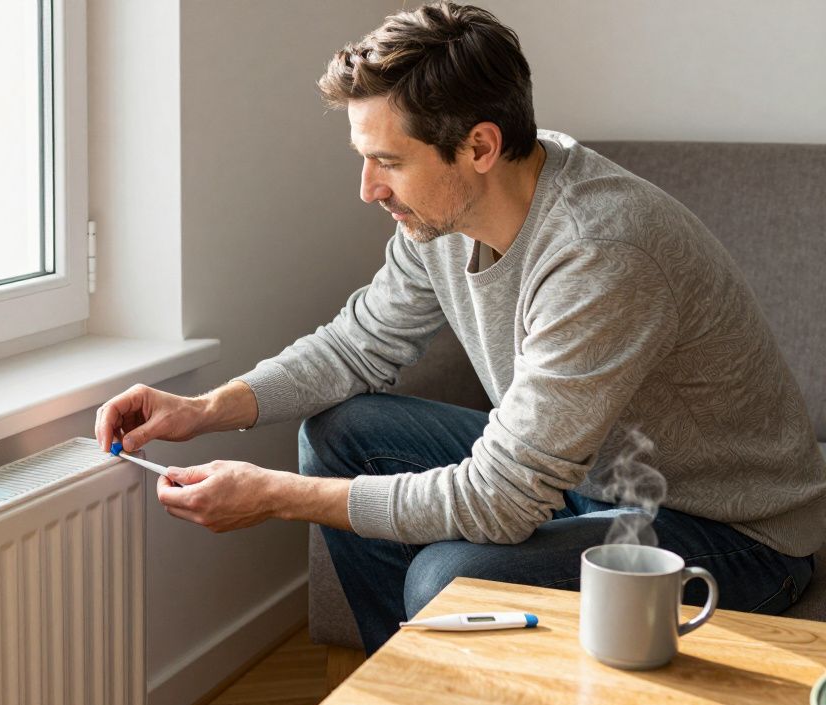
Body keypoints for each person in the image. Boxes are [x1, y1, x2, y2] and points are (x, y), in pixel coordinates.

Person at [94, 1, 826, 654]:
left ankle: (443, 678)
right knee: (342, 432)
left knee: (451, 575)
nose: (368, 189)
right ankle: (418, 685)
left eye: (389, 162)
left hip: (724, 531)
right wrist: (204, 409)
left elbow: (502, 500)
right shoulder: (445, 215)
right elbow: (357, 345)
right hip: (586, 482)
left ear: (479, 147)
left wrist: (273, 495)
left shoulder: (602, 252)